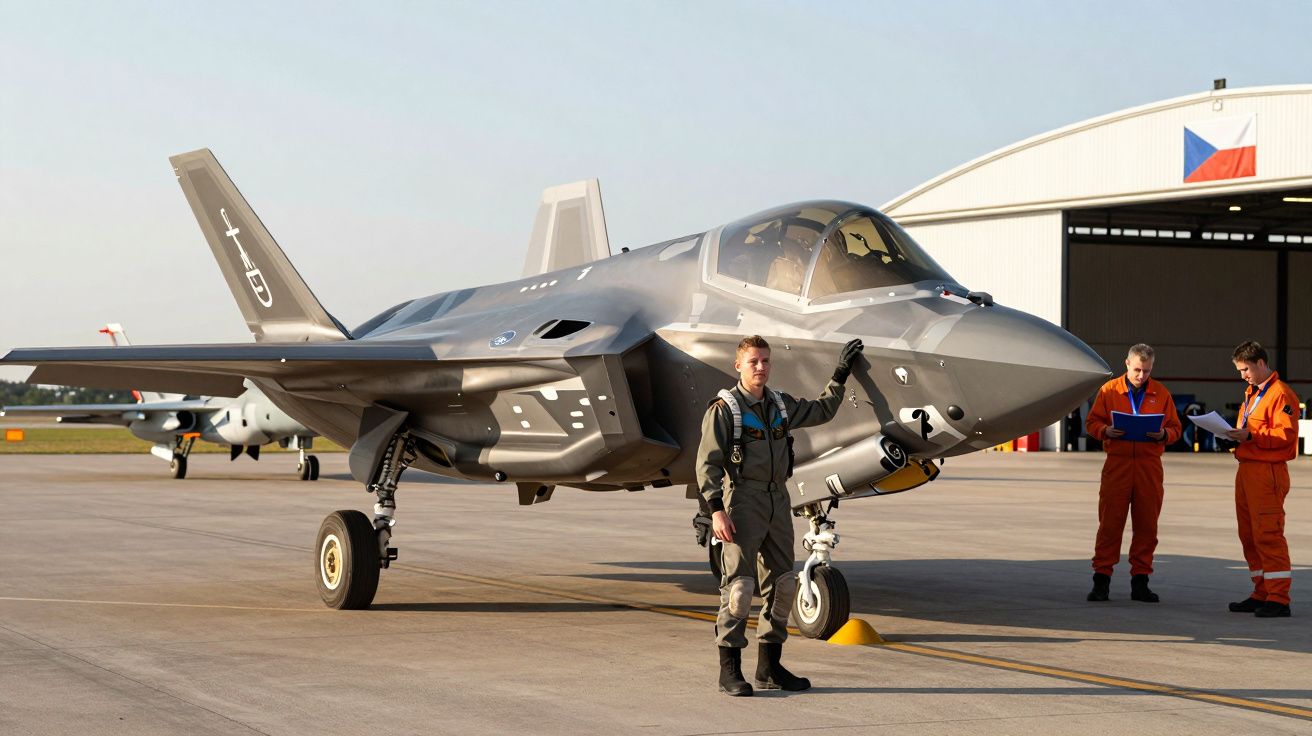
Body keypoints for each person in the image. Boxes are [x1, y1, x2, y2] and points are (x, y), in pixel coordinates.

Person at [696, 334, 863, 696]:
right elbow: (706, 465)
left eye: (765, 361)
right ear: (738, 365)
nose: (761, 367)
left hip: (777, 500)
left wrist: (841, 373)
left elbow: (822, 410)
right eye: (753, 361)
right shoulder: (724, 410)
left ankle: (769, 669)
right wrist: (715, 511)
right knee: (739, 588)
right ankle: (729, 672)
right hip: (742, 499)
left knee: (784, 586)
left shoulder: (780, 405)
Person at [1084, 344, 1182, 603]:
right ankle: (1101, 581)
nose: (1141, 376)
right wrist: (1105, 431)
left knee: (1147, 526)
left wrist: (1164, 434)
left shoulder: (1160, 393)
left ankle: (1141, 582)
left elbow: (1175, 427)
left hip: (1149, 467)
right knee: (1109, 525)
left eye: (1147, 371)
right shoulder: (1109, 390)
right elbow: (1092, 423)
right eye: (1137, 369)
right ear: (1127, 364)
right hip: (1118, 464)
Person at [1222, 341, 1299, 618]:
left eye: (1245, 369)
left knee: (1268, 533)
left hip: (1267, 472)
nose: (1243, 375)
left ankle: (1279, 598)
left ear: (1261, 363)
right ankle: (1262, 591)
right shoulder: (1253, 393)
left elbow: (1285, 435)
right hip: (1248, 469)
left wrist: (1251, 436)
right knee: (1249, 535)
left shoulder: (1280, 394)